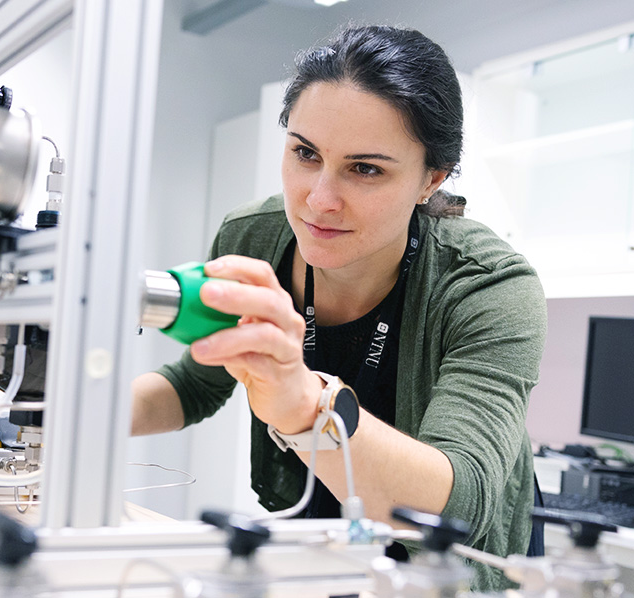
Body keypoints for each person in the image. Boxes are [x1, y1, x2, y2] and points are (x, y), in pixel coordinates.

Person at [131, 25, 546, 591]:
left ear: (432, 179)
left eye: (365, 168)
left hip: (441, 566)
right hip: (316, 536)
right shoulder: (253, 240)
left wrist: (304, 403)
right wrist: (58, 413)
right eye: (305, 153)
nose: (318, 200)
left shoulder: (489, 286)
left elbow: (460, 507)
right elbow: (197, 383)